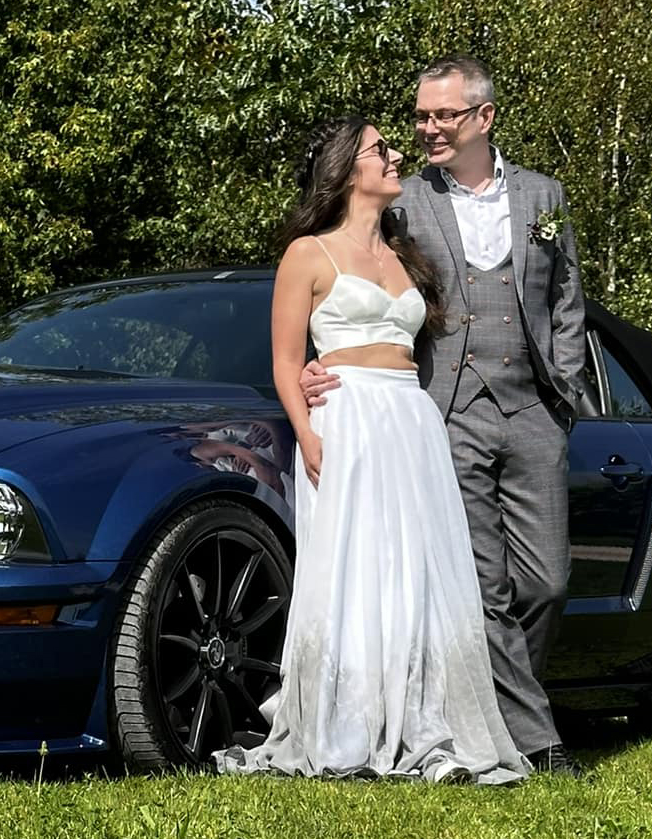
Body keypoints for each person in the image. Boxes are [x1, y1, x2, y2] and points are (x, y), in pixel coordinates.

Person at [212, 115, 529, 784]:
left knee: (418, 572)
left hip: (411, 420)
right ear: (344, 170)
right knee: (354, 569)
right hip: (345, 418)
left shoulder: (406, 253)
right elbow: (283, 361)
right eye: (380, 150)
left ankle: (428, 723)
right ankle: (346, 722)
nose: (394, 158)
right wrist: (307, 431)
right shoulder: (307, 254)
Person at [301, 56, 587, 775]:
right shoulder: (404, 203)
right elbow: (347, 265)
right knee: (480, 588)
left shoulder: (544, 199)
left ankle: (498, 710)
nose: (426, 128)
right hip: (443, 412)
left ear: (483, 118)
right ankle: (534, 740)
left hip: (534, 411)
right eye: (421, 116)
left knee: (545, 581)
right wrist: (318, 356)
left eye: (442, 116)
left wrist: (567, 393)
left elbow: (567, 304)